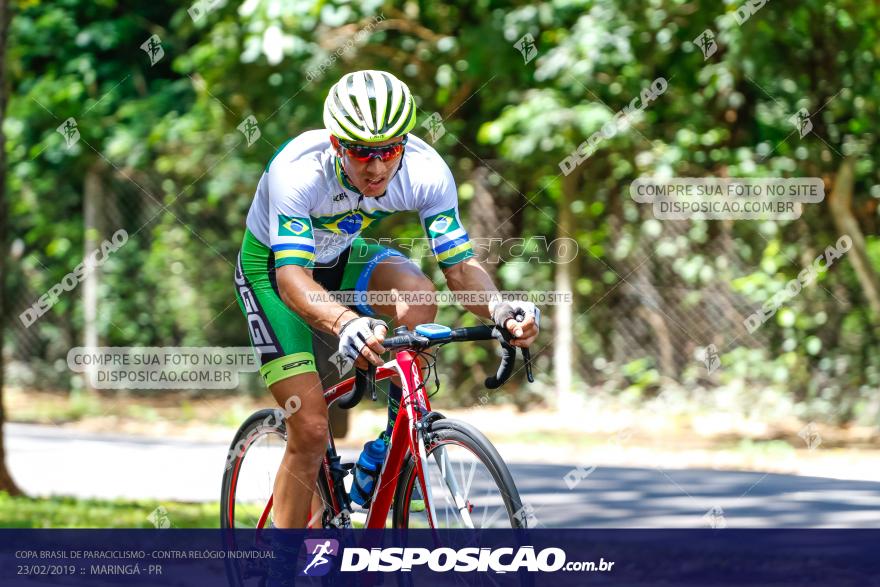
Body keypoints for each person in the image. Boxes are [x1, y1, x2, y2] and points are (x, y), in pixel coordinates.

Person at [234, 69, 539, 528]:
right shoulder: (297, 169)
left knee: (419, 294)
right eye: (360, 152)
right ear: (337, 144)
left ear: (404, 142)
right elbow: (293, 277)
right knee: (312, 429)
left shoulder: (426, 170)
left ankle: (395, 440)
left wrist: (500, 308)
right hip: (275, 271)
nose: (376, 168)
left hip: (343, 255)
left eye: (388, 151)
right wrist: (345, 324)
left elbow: (458, 267)